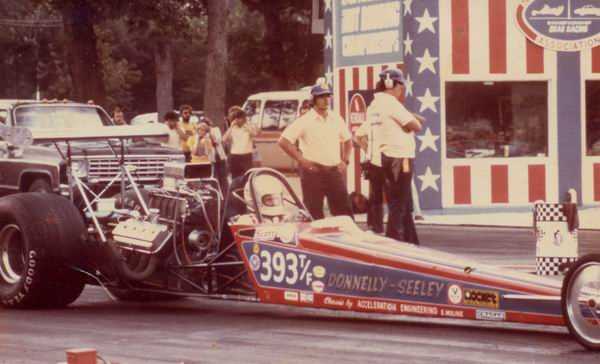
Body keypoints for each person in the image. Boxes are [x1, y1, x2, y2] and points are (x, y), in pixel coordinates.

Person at [278, 79, 353, 220]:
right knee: (313, 214)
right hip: (313, 172)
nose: (325, 100)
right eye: (321, 97)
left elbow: (348, 140)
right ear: (313, 99)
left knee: (344, 213)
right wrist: (302, 160)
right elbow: (283, 141)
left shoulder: (336, 118)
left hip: (334, 171)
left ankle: (347, 240)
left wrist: (345, 161)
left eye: (327, 96)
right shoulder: (305, 120)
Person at [373, 68, 424, 244]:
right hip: (400, 157)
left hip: (386, 156)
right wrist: (410, 122)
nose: (402, 89)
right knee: (399, 204)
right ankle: (396, 241)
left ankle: (410, 239)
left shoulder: (376, 103)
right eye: (400, 85)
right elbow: (417, 125)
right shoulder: (392, 103)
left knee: (400, 202)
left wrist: (408, 122)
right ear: (392, 84)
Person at [355, 111, 385, 234]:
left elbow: (358, 135)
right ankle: (376, 226)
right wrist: (367, 148)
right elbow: (358, 136)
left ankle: (374, 225)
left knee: (375, 195)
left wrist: (367, 150)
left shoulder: (371, 121)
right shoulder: (383, 121)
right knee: (377, 196)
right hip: (383, 161)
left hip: (374, 160)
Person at [223, 107, 258, 179]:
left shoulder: (248, 127)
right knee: (235, 176)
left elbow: (254, 134)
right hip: (235, 155)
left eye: (240, 118)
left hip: (246, 155)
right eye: (236, 118)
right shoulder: (233, 128)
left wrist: (246, 126)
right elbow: (224, 139)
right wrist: (231, 127)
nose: (238, 120)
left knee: (247, 176)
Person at [201, 117, 229, 194]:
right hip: (211, 158)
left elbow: (217, 141)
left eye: (206, 125)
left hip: (220, 156)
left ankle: (225, 192)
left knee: (223, 177)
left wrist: (209, 132)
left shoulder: (215, 129)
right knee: (213, 176)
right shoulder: (203, 133)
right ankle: (215, 193)